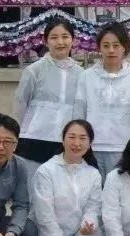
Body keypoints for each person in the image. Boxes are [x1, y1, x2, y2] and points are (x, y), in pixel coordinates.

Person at [31, 119, 104, 236]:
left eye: (82, 138)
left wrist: (88, 224)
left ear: (89, 143)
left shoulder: (93, 174)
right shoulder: (46, 171)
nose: (76, 143)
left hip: (76, 235)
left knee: (96, 235)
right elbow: (44, 216)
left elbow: (93, 207)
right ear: (63, 140)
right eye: (71, 137)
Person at [74, 23, 130, 178]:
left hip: (122, 148)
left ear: (124, 47)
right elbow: (79, 113)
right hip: (91, 147)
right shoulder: (86, 76)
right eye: (106, 46)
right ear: (99, 48)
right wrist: (80, 142)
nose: (111, 50)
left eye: (116, 45)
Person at [13, 18, 84, 173]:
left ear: (73, 40)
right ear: (45, 41)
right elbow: (21, 104)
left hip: (66, 141)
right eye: (54, 37)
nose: (60, 42)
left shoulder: (81, 74)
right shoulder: (34, 70)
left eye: (65, 37)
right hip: (34, 139)